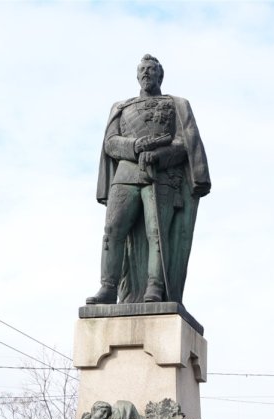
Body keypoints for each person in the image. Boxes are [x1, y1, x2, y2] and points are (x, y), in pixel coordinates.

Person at [87, 54, 210, 305]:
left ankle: (155, 287)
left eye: (151, 70)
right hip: (126, 175)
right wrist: (135, 146)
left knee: (157, 232)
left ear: (159, 75)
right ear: (137, 75)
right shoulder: (122, 108)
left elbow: (183, 144)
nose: (146, 74)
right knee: (112, 231)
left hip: (161, 176)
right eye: (142, 70)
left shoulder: (174, 105)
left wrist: (159, 156)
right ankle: (108, 287)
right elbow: (110, 142)